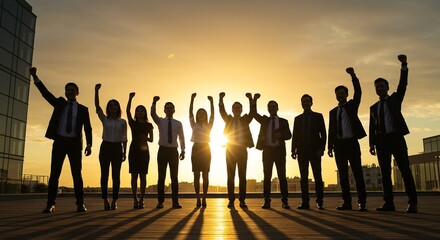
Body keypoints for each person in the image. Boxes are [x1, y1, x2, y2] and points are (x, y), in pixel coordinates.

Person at [29, 67, 92, 213]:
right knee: (54, 174)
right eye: (67, 90)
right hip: (60, 142)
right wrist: (35, 77)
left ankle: (80, 204)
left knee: (77, 175)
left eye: (72, 90)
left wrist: (89, 144)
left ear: (77, 93)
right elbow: (46, 94)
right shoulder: (59, 103)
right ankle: (50, 204)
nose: (69, 92)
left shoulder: (83, 109)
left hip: (75, 144)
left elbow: (88, 128)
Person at [369, 54, 418, 213]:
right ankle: (388, 203)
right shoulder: (373, 107)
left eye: (382, 86)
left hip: (396, 138)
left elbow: (403, 85)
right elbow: (372, 126)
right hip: (381, 141)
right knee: (385, 174)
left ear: (387, 88)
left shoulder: (395, 99)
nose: (379, 88)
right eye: (377, 86)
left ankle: (412, 203)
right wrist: (372, 143)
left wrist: (404, 66)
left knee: (405, 170)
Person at [328, 68, 367, 211]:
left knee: (357, 173)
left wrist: (353, 76)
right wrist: (330, 146)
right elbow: (331, 130)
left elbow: (359, 92)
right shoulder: (333, 112)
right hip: (339, 145)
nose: (340, 95)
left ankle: (362, 203)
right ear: (335, 96)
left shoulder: (352, 105)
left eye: (342, 93)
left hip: (351, 142)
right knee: (343, 176)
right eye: (338, 94)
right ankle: (347, 203)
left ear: (346, 94)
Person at [251, 94, 292, 209]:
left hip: (279, 151)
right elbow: (254, 114)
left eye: (274, 107)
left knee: (282, 177)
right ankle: (267, 201)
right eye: (270, 107)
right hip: (268, 151)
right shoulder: (264, 120)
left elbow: (289, 135)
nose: (272, 108)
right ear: (268, 109)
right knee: (267, 177)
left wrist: (281, 135)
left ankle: (285, 201)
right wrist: (254, 101)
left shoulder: (284, 121)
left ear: (277, 108)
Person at [94, 84, 127, 210]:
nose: (113, 107)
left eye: (115, 105)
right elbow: (97, 107)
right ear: (108, 108)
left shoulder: (123, 122)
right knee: (104, 175)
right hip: (105, 146)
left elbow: (125, 138)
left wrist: (124, 152)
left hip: (117, 148)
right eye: (111, 105)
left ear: (118, 107)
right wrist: (96, 91)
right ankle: (105, 200)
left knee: (116, 176)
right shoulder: (104, 119)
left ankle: (114, 200)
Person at [219, 92, 254, 209]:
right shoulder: (228, 119)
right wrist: (221, 99)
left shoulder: (245, 120)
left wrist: (251, 100)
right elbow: (222, 112)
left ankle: (242, 200)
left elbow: (252, 113)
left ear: (241, 109)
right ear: (232, 110)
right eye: (234, 108)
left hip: (242, 150)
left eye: (238, 108)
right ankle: (231, 200)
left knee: (242, 176)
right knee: (230, 176)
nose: (236, 109)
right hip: (230, 149)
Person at [291, 94, 326, 210]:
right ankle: (305, 202)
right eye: (303, 102)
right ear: (301, 104)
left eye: (307, 101)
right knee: (303, 178)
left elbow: (323, 134)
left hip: (315, 151)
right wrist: (293, 150)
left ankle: (320, 201)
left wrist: (322, 148)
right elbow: (295, 136)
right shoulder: (297, 119)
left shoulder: (318, 116)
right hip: (302, 151)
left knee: (318, 177)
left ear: (311, 103)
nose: (305, 103)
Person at [151, 96, 185, 209]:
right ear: (164, 110)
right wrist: (154, 102)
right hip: (163, 150)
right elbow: (152, 114)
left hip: (173, 151)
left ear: (174, 110)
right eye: (167, 108)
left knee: (174, 177)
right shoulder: (160, 121)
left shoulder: (178, 123)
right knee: (161, 177)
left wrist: (183, 150)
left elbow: (181, 138)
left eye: (171, 108)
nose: (169, 110)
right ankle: (160, 202)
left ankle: (175, 202)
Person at [127, 92, 154, 209]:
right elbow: (127, 111)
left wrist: (146, 138)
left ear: (145, 113)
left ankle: (142, 199)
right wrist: (130, 99)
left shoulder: (149, 125)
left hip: (144, 150)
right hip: (134, 150)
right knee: (134, 176)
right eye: (138, 111)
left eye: (142, 111)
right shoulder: (133, 123)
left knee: (143, 176)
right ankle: (134, 199)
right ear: (136, 113)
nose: (140, 112)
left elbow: (152, 139)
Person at [189, 93, 214, 208]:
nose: (201, 115)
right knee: (196, 175)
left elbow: (213, 115)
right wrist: (192, 99)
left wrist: (211, 102)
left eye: (203, 113)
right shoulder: (194, 124)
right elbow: (190, 113)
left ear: (206, 115)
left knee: (205, 175)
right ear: (197, 115)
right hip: (196, 148)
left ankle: (204, 198)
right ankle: (198, 198)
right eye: (199, 113)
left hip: (206, 149)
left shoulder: (209, 125)